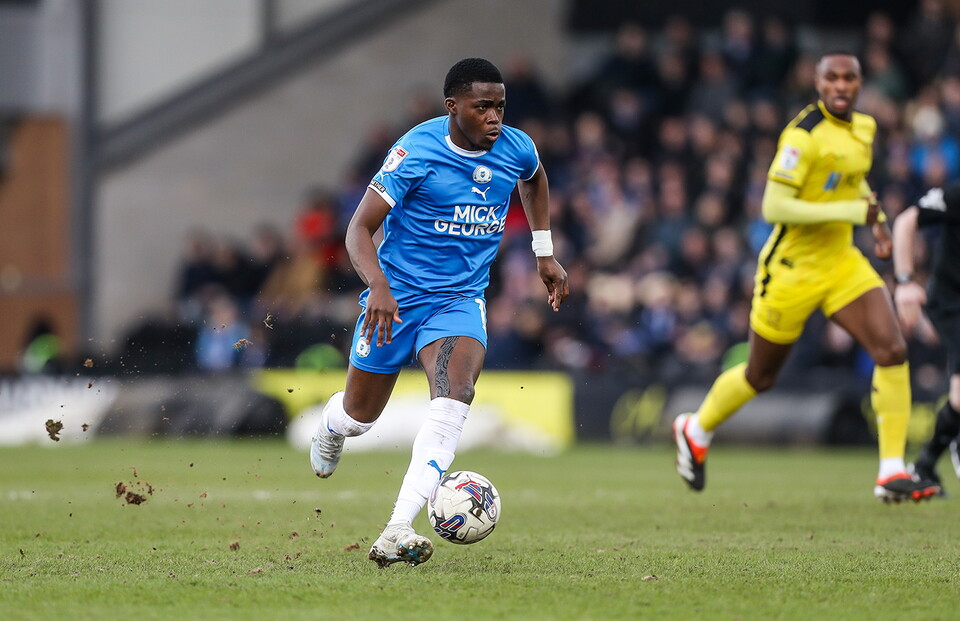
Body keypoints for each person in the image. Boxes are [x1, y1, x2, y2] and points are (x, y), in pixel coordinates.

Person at [309, 58, 568, 568]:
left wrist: (543, 251)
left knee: (455, 398)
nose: (495, 117)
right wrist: (378, 286)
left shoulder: (517, 148)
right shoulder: (416, 151)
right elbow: (357, 229)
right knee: (361, 417)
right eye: (482, 107)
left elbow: (535, 180)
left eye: (500, 106)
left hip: (459, 301)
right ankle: (332, 424)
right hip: (395, 301)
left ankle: (397, 528)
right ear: (453, 107)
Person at [672, 52, 941, 503]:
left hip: (841, 261)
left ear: (859, 83)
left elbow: (852, 180)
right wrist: (854, 211)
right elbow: (774, 207)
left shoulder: (866, 128)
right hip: (792, 269)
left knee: (892, 348)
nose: (840, 86)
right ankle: (695, 428)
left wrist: (874, 218)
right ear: (817, 83)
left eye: (849, 78)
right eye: (831, 78)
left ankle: (891, 471)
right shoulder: (802, 135)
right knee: (760, 376)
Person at [895, 182, 960, 492]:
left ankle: (924, 467)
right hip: (952, 303)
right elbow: (906, 221)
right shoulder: (956, 195)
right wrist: (905, 280)